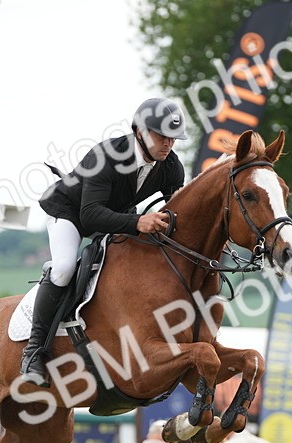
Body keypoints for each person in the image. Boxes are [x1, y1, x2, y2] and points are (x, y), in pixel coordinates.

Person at [20, 97, 189, 386]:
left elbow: (178, 212)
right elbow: (90, 214)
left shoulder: (171, 166)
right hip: (71, 212)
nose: (168, 144)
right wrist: (137, 222)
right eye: (162, 136)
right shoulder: (107, 156)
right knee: (63, 268)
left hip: (115, 214)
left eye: (173, 138)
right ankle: (34, 351)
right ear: (140, 132)